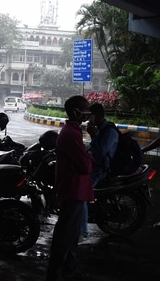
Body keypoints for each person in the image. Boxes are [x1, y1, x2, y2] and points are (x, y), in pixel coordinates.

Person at [46, 95, 94, 281]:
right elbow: (85, 165)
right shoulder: (70, 134)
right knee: (65, 235)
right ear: (76, 112)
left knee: (72, 234)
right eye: (86, 110)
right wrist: (87, 161)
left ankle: (69, 269)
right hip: (72, 189)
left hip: (78, 189)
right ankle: (55, 274)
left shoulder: (74, 131)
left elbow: (84, 162)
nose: (88, 114)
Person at [81, 103, 118, 240]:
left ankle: (83, 233)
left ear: (94, 116)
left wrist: (92, 135)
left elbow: (102, 152)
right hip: (94, 164)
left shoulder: (109, 131)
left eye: (89, 115)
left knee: (82, 193)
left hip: (102, 168)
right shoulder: (100, 129)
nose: (87, 118)